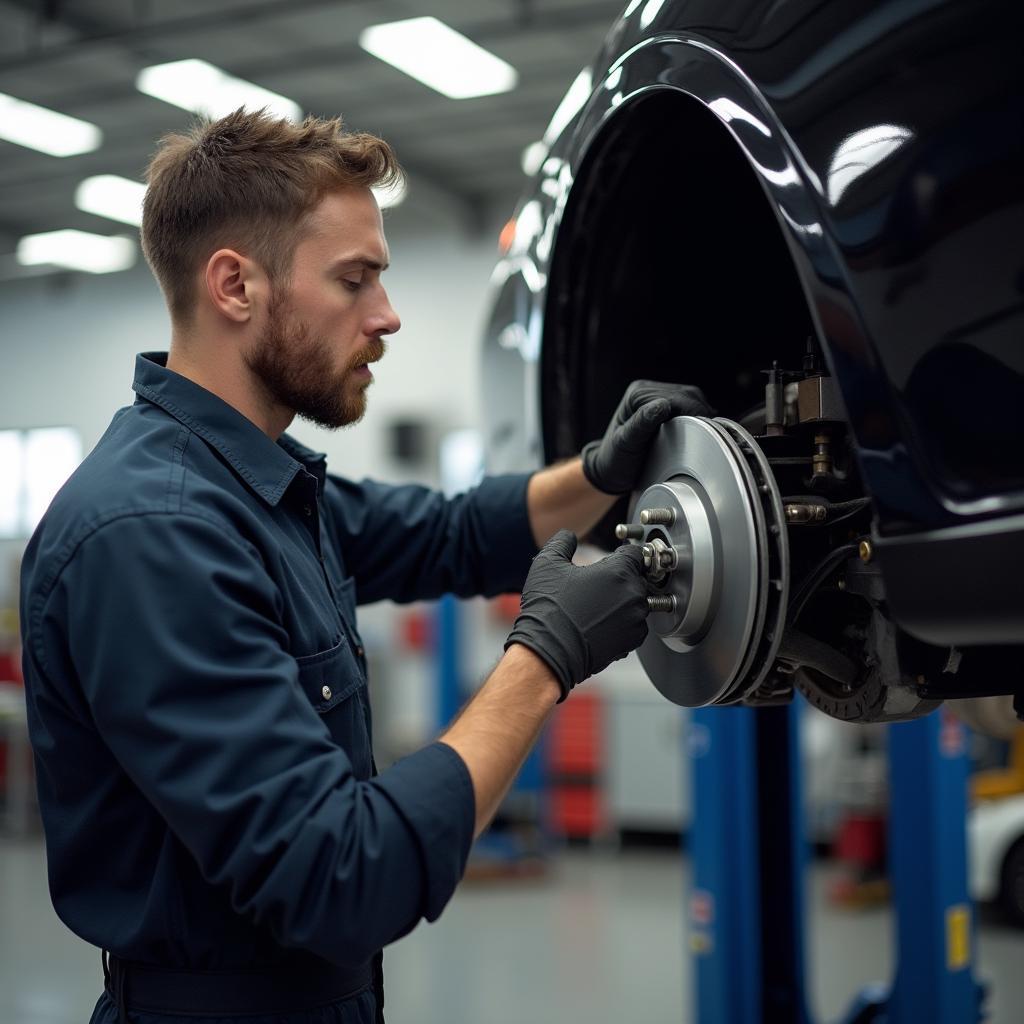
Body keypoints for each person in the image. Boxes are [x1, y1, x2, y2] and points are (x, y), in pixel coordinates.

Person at [18, 109, 711, 1024]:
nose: (385, 317)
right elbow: (343, 877)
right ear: (235, 285)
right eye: (355, 280)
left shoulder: (249, 488)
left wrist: (597, 474)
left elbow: (450, 531)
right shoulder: (156, 534)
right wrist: (545, 656)